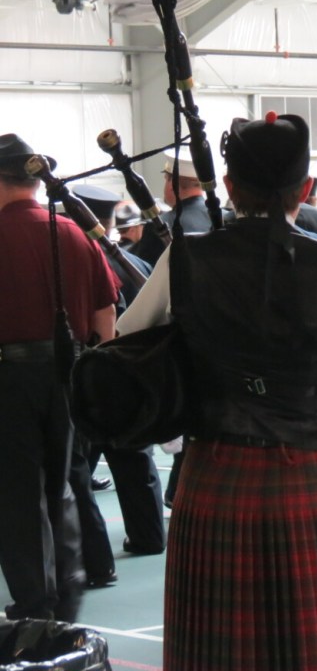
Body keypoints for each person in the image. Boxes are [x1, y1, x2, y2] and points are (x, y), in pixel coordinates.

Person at [117, 112, 317, 670]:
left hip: (214, 476)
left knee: (220, 653)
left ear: (228, 186)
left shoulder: (184, 258)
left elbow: (131, 352)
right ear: (307, 189)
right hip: (315, 476)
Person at [0, 133, 119, 622]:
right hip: (68, 371)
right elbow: (105, 315)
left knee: (17, 492)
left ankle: (35, 601)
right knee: (65, 484)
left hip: (9, 376)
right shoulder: (72, 231)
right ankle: (67, 594)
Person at [72, 185, 166, 567]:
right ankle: (148, 535)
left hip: (94, 373)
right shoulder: (136, 265)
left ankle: (89, 554)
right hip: (137, 376)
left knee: (79, 465)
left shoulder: (82, 262)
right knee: (134, 459)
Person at [133, 154, 216, 266]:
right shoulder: (225, 217)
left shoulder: (158, 225)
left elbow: (144, 275)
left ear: (172, 185)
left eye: (166, 179)